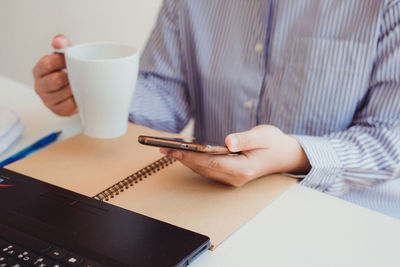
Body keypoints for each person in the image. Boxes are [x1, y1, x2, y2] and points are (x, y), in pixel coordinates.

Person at [32, 1, 400, 217]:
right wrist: (92, 89)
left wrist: (294, 154)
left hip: (338, 215)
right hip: (207, 206)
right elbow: (168, 97)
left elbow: (388, 138)